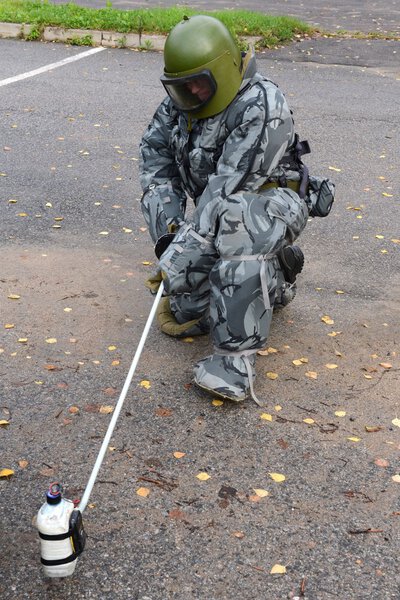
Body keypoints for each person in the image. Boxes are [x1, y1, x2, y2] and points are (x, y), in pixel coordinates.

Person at [139, 15, 334, 403]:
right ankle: (274, 278)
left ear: (224, 69)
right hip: (218, 213)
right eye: (181, 85)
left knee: (233, 222)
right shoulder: (179, 106)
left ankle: (233, 366)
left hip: (271, 203)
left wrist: (182, 257)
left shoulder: (262, 105)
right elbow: (155, 169)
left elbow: (227, 189)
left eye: (200, 81)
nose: (191, 91)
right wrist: (172, 237)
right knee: (188, 307)